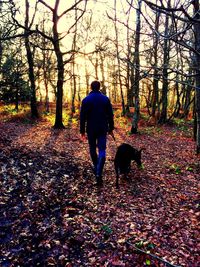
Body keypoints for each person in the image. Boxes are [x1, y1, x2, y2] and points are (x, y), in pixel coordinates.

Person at [80, 80, 114, 186]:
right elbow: (110, 115)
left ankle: (96, 167)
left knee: (92, 148)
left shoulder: (86, 100)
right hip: (102, 128)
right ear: (99, 87)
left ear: (91, 87)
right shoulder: (105, 99)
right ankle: (99, 172)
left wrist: (82, 131)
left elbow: (82, 117)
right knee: (102, 149)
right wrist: (111, 128)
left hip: (91, 128)